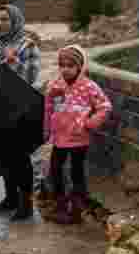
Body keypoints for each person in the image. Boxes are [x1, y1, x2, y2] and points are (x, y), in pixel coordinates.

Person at [43, 44, 112, 224]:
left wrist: (89, 124)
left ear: (79, 67)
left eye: (70, 66)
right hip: (59, 138)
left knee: (76, 173)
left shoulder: (89, 87)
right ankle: (59, 206)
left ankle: (76, 209)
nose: (65, 69)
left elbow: (104, 107)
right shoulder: (55, 85)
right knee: (55, 170)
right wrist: (47, 130)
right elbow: (48, 108)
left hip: (79, 139)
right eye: (62, 65)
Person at [0, 3, 41, 221]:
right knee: (4, 155)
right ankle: (10, 198)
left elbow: (31, 77)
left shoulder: (28, 45)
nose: (0, 23)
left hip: (21, 108)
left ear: (15, 21)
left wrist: (12, 61)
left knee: (20, 156)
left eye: (5, 19)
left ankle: (25, 204)